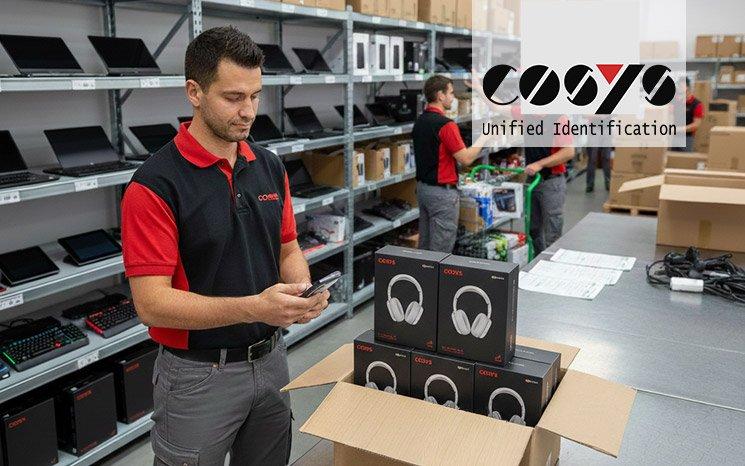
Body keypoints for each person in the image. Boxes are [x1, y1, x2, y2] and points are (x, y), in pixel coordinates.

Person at [120, 26, 329, 466]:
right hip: (197, 376)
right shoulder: (154, 186)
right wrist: (256, 307)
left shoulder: (268, 166)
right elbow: (152, 304)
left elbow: (287, 247)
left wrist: (301, 293)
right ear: (194, 92)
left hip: (272, 360)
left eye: (255, 96)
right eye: (233, 97)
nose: (248, 111)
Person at [412, 75, 492, 253]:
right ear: (440, 95)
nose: (453, 97)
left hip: (423, 190)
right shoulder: (446, 125)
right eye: (451, 93)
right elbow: (466, 158)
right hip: (442, 194)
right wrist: (484, 137)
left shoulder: (420, 121)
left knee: (425, 246)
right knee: (441, 249)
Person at [676, 77, 703, 152]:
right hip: (674, 138)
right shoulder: (677, 102)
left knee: (684, 159)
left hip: (687, 138)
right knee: (672, 158)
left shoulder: (697, 104)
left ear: (688, 88)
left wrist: (678, 129)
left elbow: (696, 125)